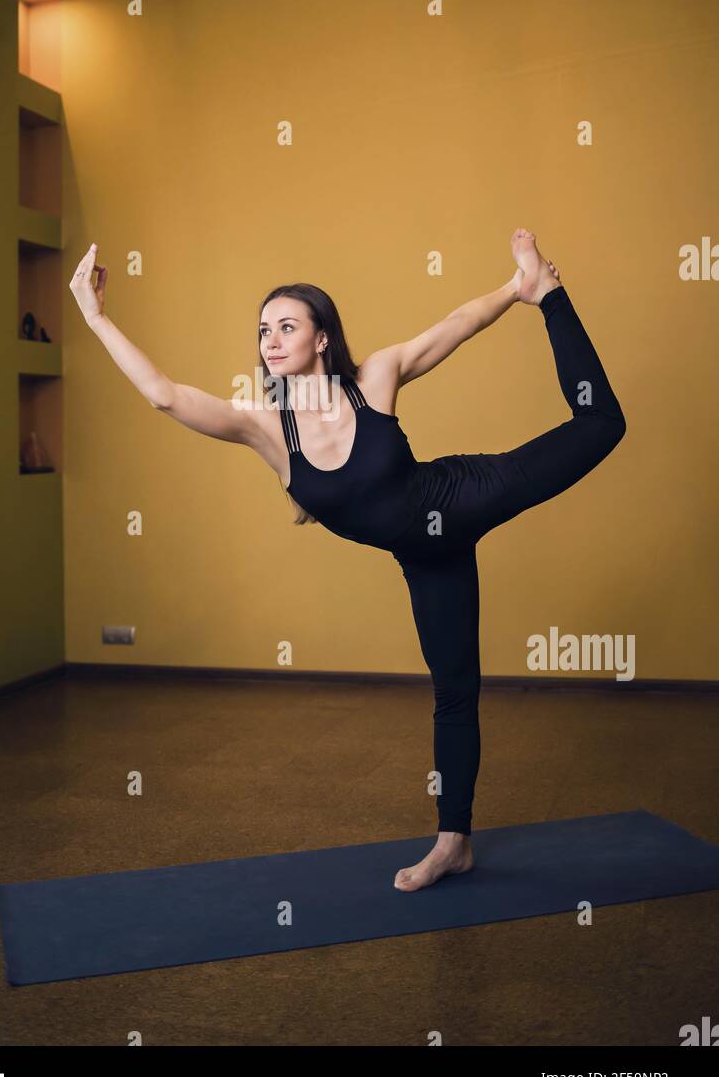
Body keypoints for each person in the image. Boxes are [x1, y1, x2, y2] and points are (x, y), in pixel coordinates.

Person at [70, 229, 626, 892]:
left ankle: (552, 295)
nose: (270, 340)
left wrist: (518, 289)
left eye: (286, 326)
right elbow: (164, 394)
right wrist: (95, 316)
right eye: (262, 330)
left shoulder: (375, 379)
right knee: (454, 693)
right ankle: (455, 844)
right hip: (426, 558)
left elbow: (455, 326)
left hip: (463, 494)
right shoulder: (268, 430)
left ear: (322, 337)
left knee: (600, 425)